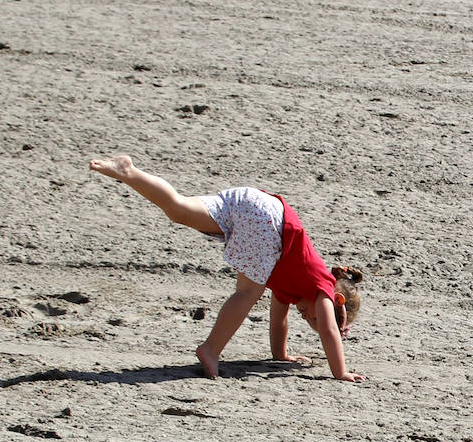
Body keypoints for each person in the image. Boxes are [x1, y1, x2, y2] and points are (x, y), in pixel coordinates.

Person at [88, 155, 366, 382]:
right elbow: (330, 330)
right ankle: (210, 349)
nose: (309, 317)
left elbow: (278, 321)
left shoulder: (292, 288)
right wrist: (340, 372)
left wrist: (280, 355)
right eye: (315, 318)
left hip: (255, 204)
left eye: (309, 322)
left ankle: (129, 171)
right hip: (268, 223)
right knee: (246, 293)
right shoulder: (323, 287)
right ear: (335, 301)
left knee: (178, 209)